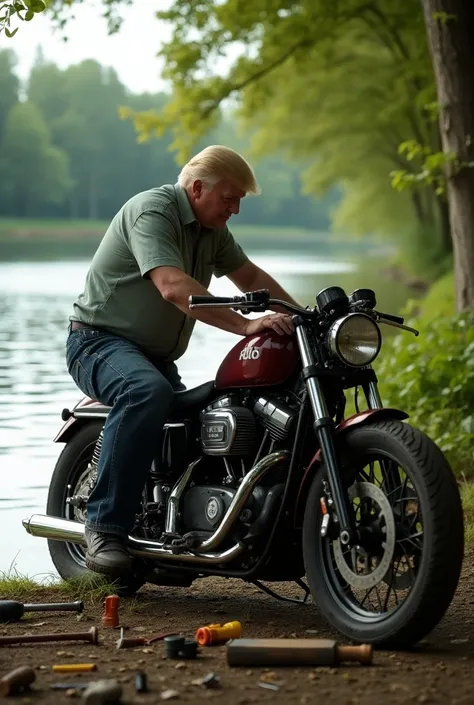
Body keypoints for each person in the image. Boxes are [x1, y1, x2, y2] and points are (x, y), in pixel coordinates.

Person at [66, 144, 300, 576]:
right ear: (197, 189)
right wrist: (246, 325)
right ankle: (102, 525)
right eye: (229, 199)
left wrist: (303, 316)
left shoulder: (212, 230)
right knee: (145, 392)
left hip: (153, 356)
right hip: (99, 342)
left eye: (239, 202)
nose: (235, 209)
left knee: (209, 412)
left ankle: (180, 531)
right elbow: (173, 286)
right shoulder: (152, 212)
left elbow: (250, 277)